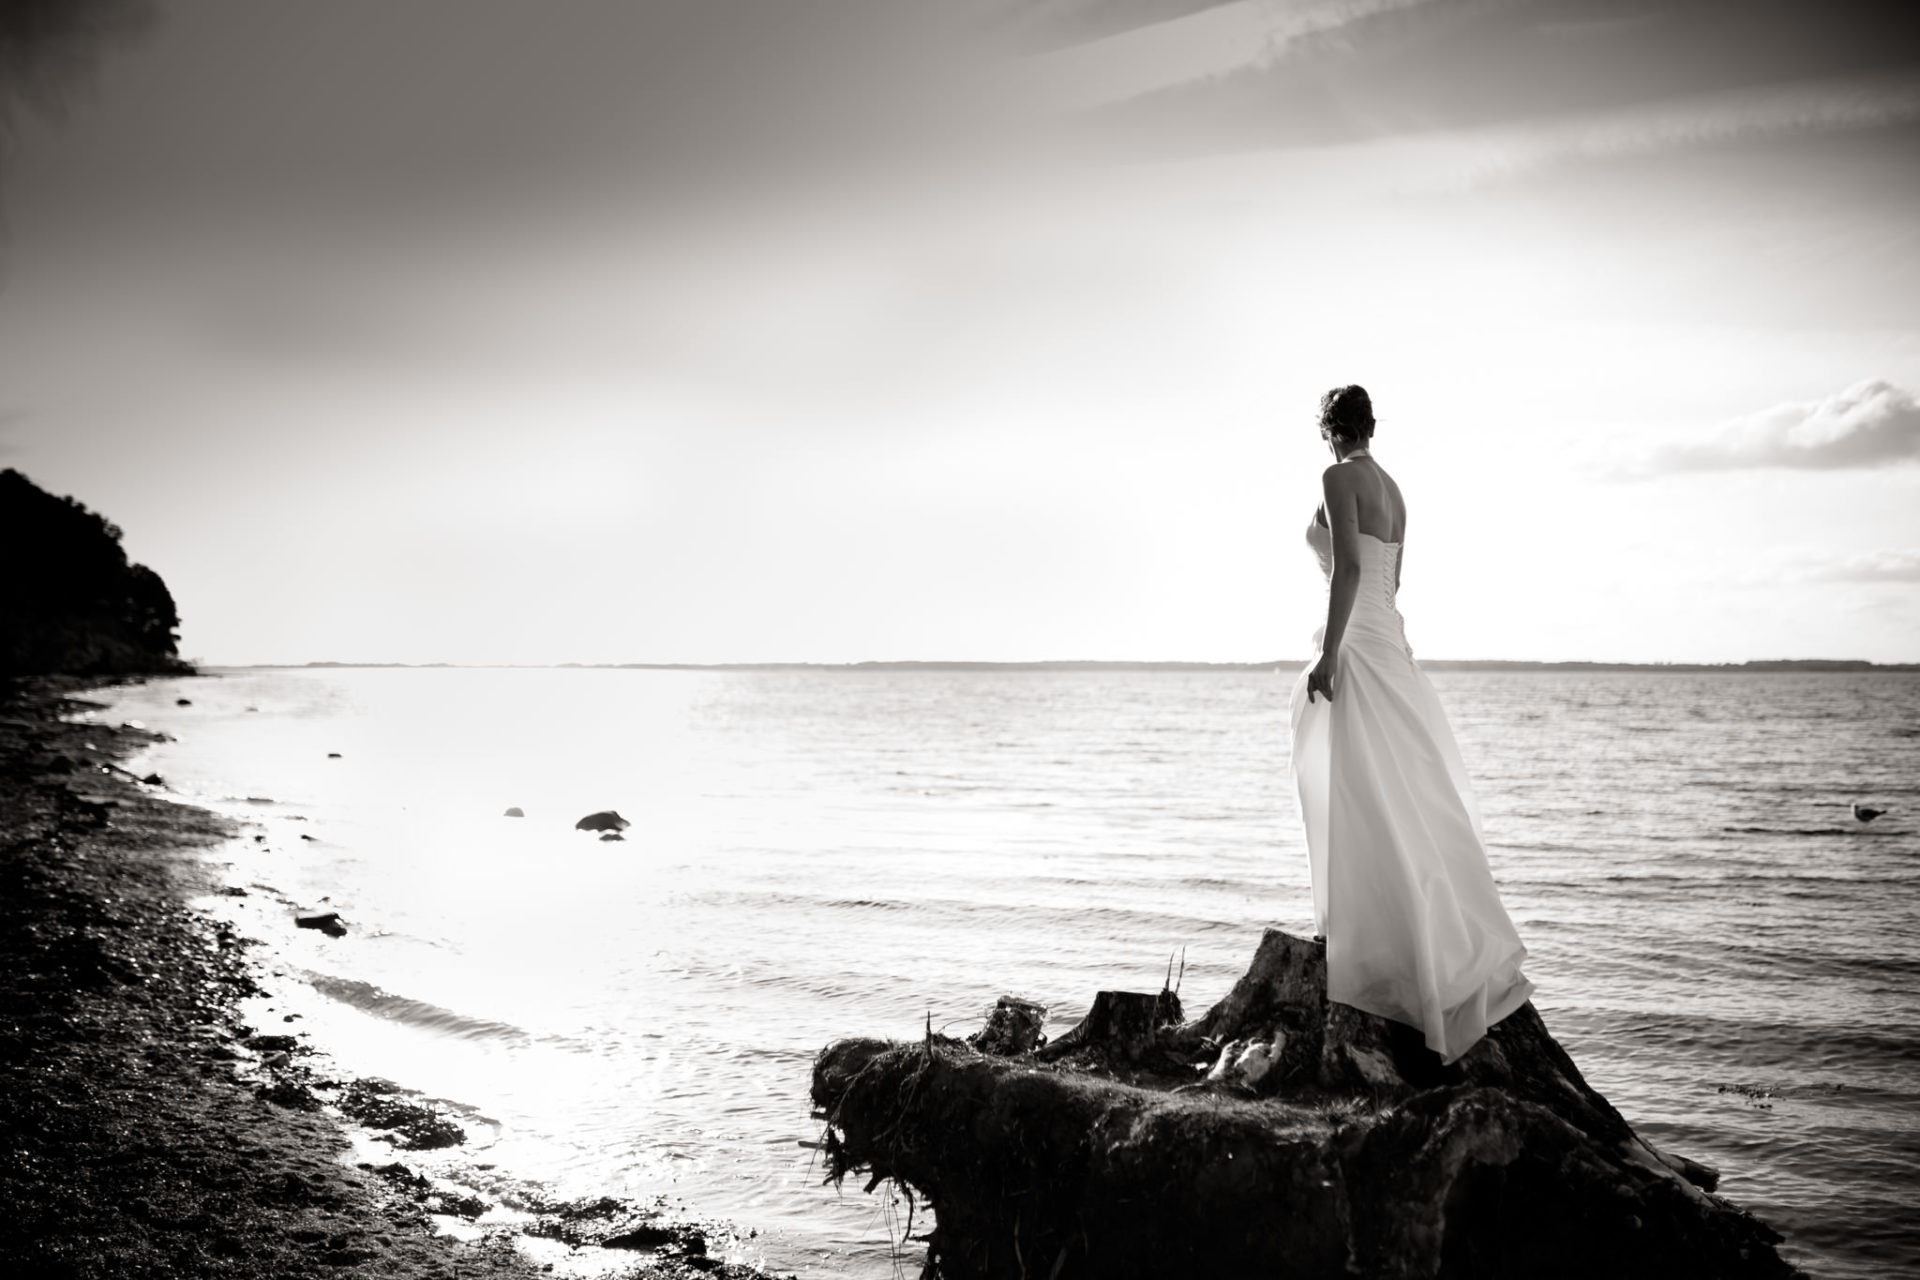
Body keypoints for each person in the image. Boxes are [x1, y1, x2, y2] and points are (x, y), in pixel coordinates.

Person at [1289, 385, 1533, 1063]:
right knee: (1401, 793)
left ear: (1329, 431)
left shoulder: (1338, 476)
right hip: (1386, 639)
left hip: (1358, 642)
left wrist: (1331, 654)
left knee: (1353, 784)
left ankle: (1369, 939)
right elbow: (1391, 585)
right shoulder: (1394, 490)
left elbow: (1349, 570)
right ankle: (1414, 936)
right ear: (1370, 425)